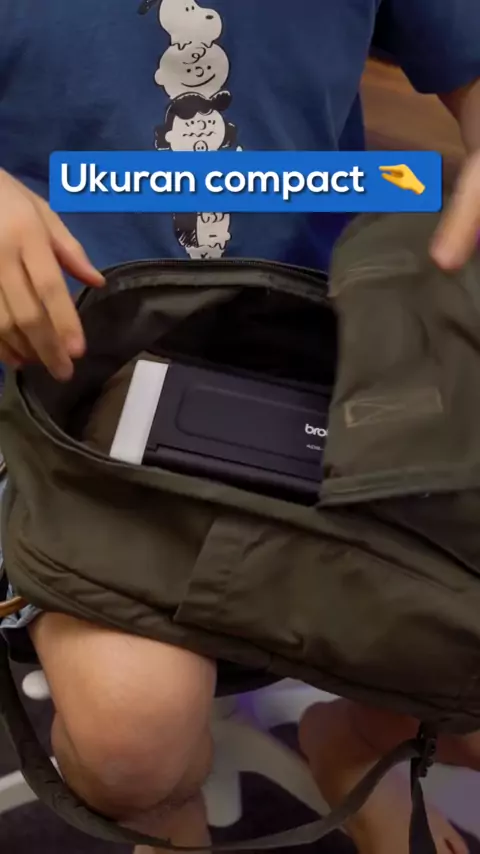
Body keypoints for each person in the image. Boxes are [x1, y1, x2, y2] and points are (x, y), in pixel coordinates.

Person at [0, 2, 480, 852]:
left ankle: (357, 744)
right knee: (134, 735)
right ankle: (164, 823)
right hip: (61, 373)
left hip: (319, 342)